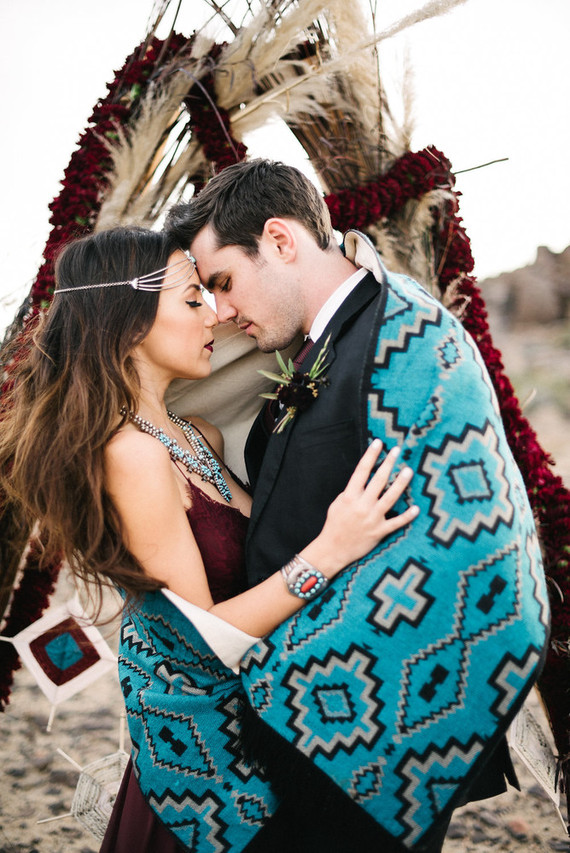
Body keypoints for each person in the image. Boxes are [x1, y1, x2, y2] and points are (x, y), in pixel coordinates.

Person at [165, 158, 550, 852]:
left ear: (280, 241)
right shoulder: (326, 341)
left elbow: (467, 542)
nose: (220, 311)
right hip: (306, 725)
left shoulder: (407, 335)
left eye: (223, 281)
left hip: (368, 724)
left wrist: (287, 677)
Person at [0, 226, 419, 852]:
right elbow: (200, 642)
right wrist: (331, 550)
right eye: (193, 299)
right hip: (205, 766)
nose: (216, 315)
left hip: (264, 724)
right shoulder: (130, 456)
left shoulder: (198, 434)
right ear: (127, 318)